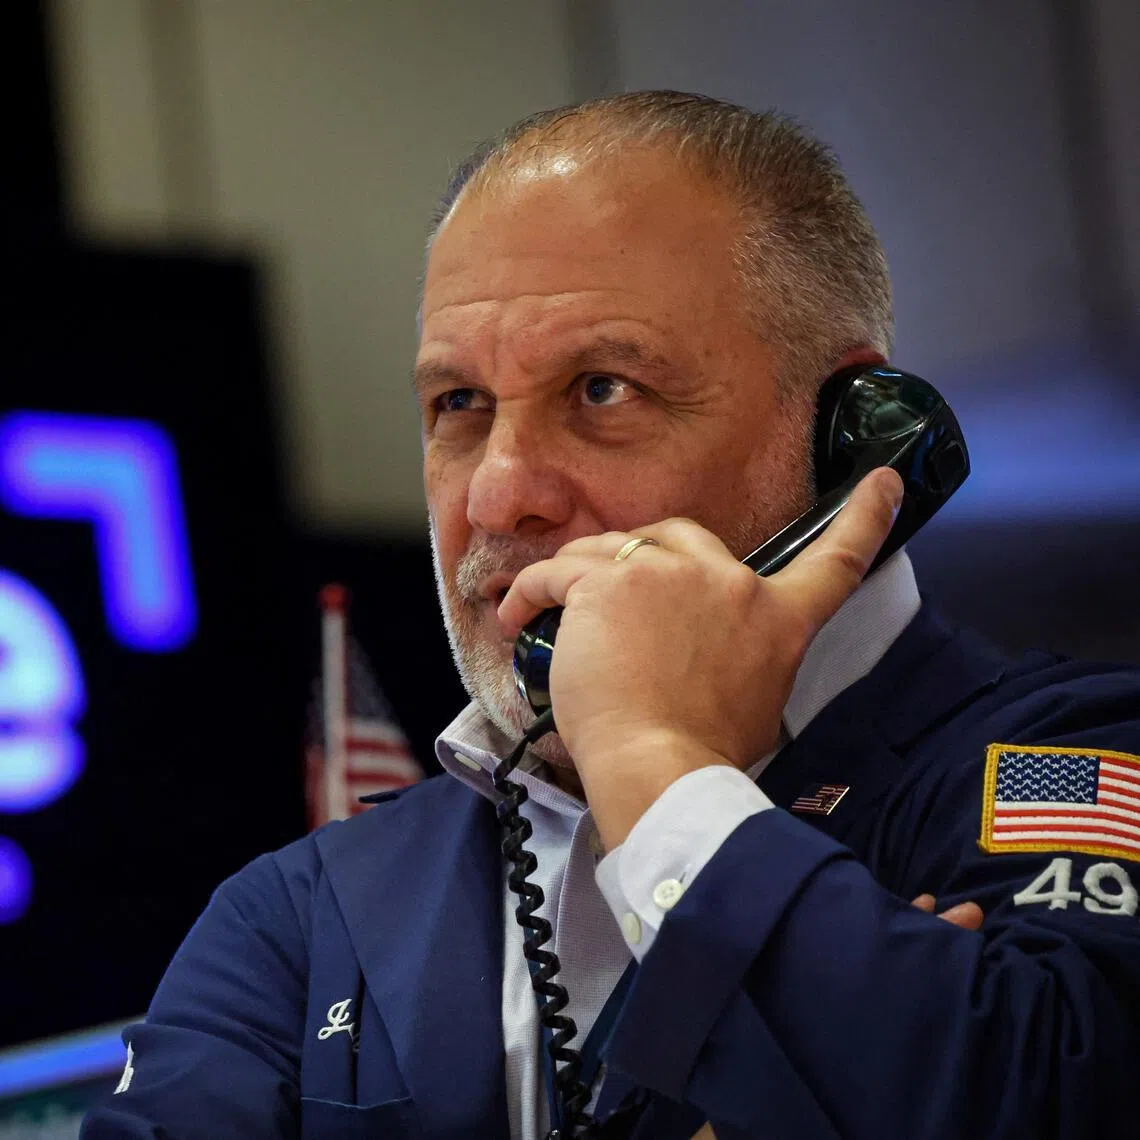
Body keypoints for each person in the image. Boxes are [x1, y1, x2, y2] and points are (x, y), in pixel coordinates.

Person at [83, 92, 1140, 1140]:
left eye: (601, 389)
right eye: (459, 404)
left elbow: (1041, 1095)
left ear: (848, 436)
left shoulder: (1072, 757)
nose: (496, 495)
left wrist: (654, 757)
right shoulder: (305, 915)